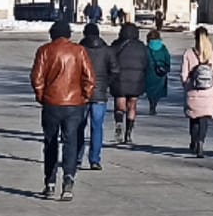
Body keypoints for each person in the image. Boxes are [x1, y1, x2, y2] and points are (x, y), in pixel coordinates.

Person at [30, 21, 94, 201]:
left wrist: (41, 95)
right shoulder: (79, 51)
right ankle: (68, 180)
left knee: (50, 143)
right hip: (74, 103)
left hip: (51, 103)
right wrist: (85, 96)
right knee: (71, 142)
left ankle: (49, 182)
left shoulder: (44, 51)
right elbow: (89, 77)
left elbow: (37, 77)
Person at [79, 23, 118, 169]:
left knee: (78, 127)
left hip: (81, 93)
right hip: (100, 94)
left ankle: (77, 157)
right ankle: (95, 159)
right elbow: (115, 70)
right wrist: (106, 83)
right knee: (97, 128)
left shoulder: (79, 50)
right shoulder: (107, 50)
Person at [181, 27, 213, 158]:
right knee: (204, 119)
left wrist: (187, 85)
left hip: (193, 91)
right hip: (209, 92)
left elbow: (184, 74)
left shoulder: (188, 53)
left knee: (194, 118)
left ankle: (193, 140)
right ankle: (201, 141)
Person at [111, 22, 149, 143]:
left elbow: (110, 61)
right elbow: (146, 63)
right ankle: (128, 133)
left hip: (120, 79)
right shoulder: (141, 46)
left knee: (120, 103)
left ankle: (119, 123)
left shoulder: (116, 45)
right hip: (136, 79)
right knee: (132, 105)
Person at [144, 29, 171, 115]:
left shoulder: (147, 48)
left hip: (149, 71)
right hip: (160, 72)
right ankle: (154, 105)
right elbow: (167, 58)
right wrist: (167, 67)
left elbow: (143, 60)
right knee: (158, 90)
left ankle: (151, 103)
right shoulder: (163, 48)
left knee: (150, 90)